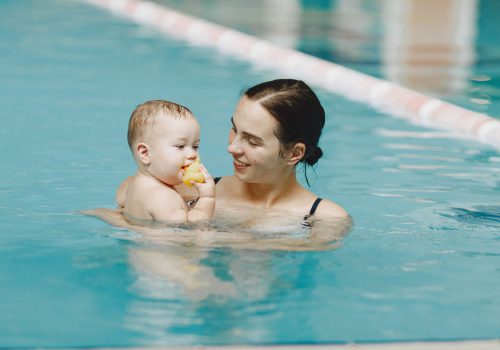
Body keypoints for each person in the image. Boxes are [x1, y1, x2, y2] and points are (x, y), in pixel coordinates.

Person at [120, 99, 215, 223]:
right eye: (180, 146)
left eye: (195, 146)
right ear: (145, 153)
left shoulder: (133, 184)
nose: (192, 155)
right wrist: (207, 198)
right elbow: (185, 231)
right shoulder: (163, 197)